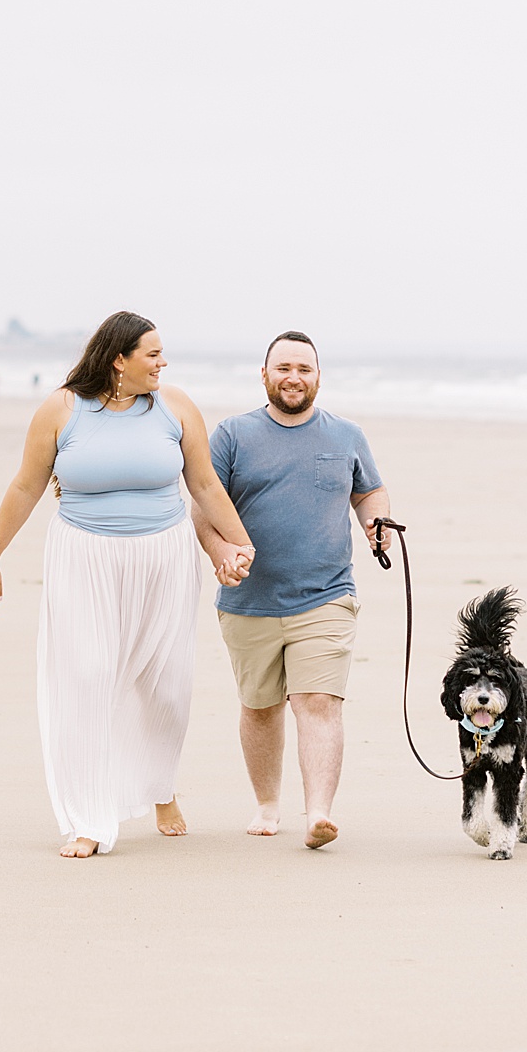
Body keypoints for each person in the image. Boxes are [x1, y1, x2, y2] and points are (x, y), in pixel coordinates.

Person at [0, 311, 254, 858]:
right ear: (117, 359)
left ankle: (159, 785)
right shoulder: (61, 410)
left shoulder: (174, 406)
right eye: (152, 354)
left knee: (166, 686)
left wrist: (240, 544)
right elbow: (26, 486)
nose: (163, 362)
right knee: (89, 675)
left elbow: (203, 482)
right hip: (84, 556)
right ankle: (89, 817)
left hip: (165, 555)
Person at [191, 331, 392, 850]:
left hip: (326, 595)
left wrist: (377, 524)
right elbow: (205, 507)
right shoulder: (233, 434)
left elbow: (368, 492)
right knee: (260, 707)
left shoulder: (346, 435)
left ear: (318, 376)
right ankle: (266, 803)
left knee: (318, 700)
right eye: (283, 367)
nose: (294, 377)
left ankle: (318, 813)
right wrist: (219, 553)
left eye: (304, 368)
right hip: (248, 601)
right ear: (264, 375)